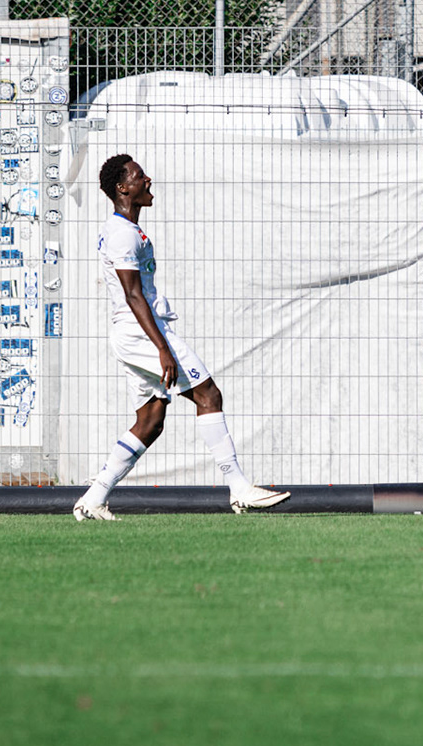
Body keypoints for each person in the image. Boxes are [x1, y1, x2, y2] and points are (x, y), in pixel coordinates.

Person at [73, 153, 291, 521]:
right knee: (208, 394)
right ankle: (239, 488)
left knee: (151, 420)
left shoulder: (124, 228)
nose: (148, 180)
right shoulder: (123, 233)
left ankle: (93, 498)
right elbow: (132, 294)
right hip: (142, 333)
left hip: (132, 333)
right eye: (139, 176)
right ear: (122, 188)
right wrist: (162, 348)